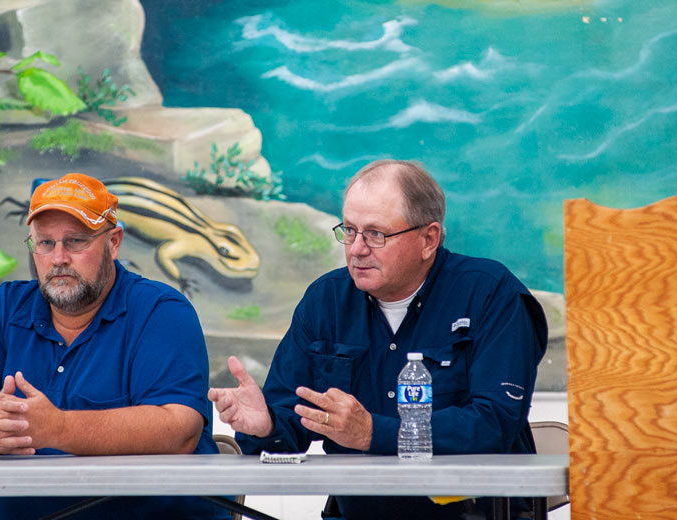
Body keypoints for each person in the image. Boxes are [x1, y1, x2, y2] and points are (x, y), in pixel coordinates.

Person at [208, 160, 548, 520]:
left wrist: (375, 433)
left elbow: (494, 424)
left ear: (429, 239)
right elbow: (289, 428)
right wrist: (266, 426)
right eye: (349, 231)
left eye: (375, 234)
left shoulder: (490, 294)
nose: (356, 249)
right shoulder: (325, 302)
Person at [0, 173, 228, 520]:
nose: (58, 258)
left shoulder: (160, 311)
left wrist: (57, 428)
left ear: (113, 242)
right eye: (45, 243)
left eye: (76, 241)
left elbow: (178, 429)